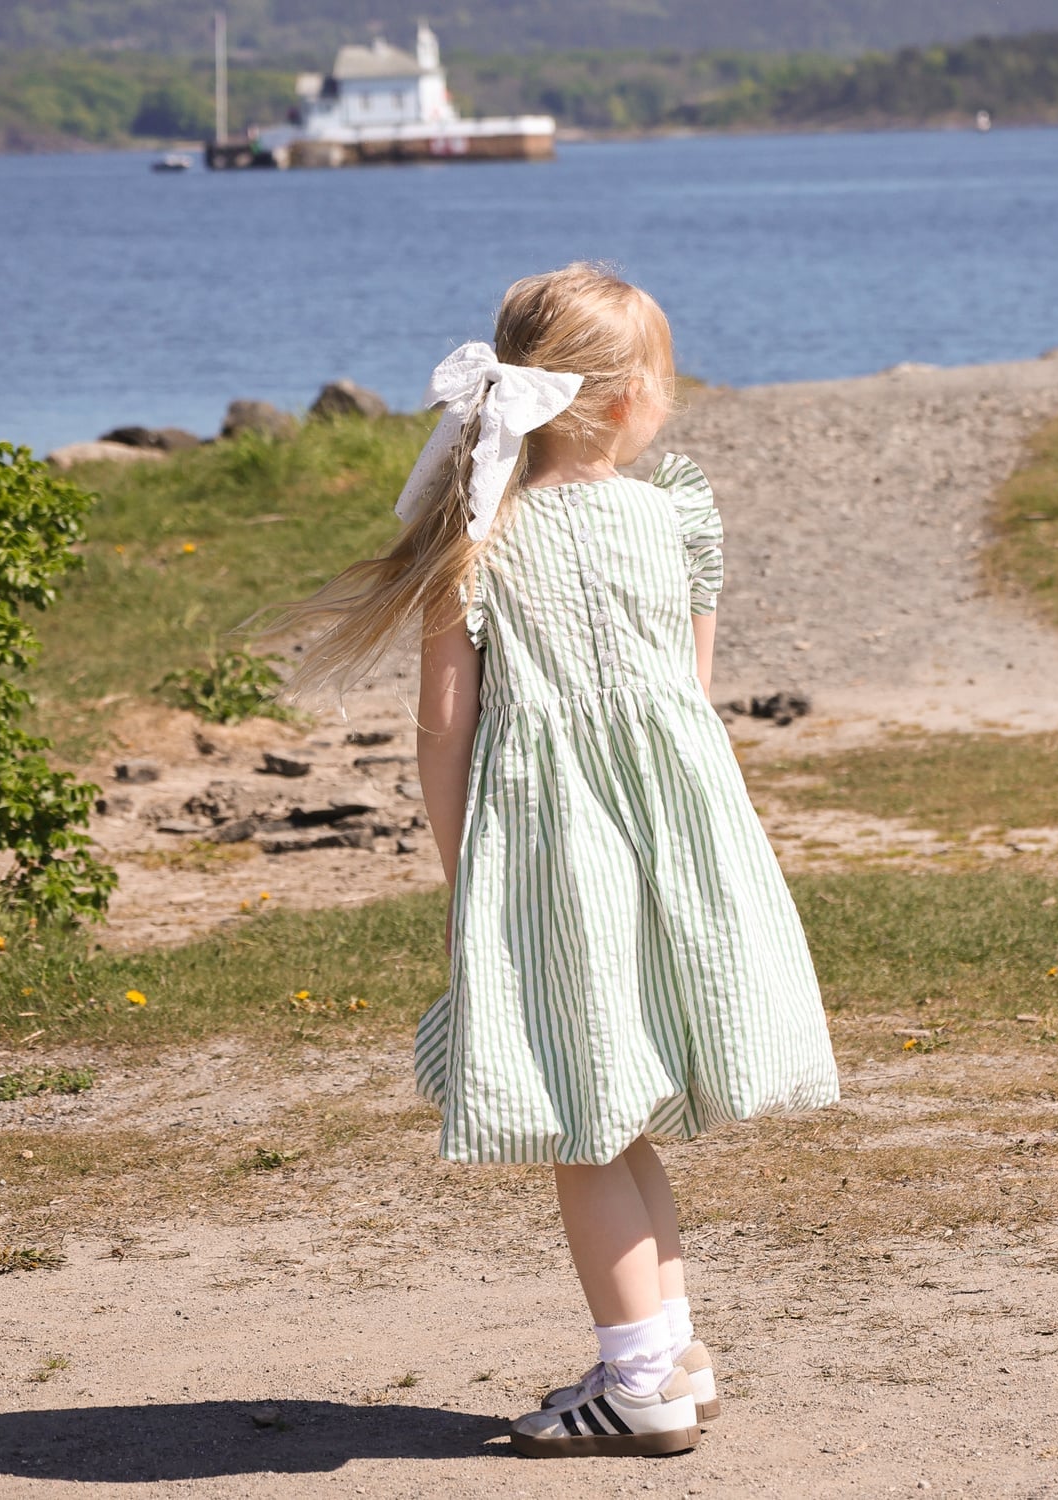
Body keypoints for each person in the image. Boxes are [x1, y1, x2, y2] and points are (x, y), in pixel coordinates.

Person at [292, 262, 840, 1459]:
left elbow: (446, 729)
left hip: (552, 857)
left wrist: (462, 877)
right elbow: (690, 703)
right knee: (621, 1109)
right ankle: (674, 1357)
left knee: (587, 1115)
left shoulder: (480, 535)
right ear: (628, 398)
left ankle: (639, 1375)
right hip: (681, 848)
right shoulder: (674, 515)